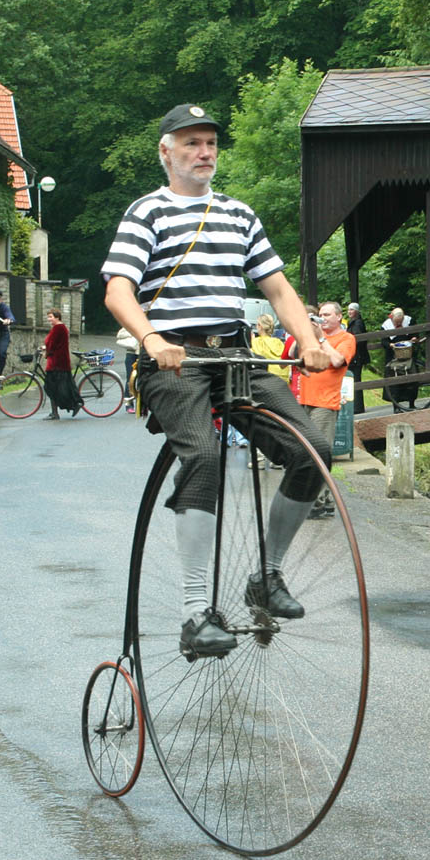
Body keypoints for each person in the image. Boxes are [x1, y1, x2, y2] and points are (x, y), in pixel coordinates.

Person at [102, 102, 331, 661]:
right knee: (203, 456)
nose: (203, 153)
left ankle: (268, 574)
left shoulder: (238, 214)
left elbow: (277, 289)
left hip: (234, 356)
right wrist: (152, 340)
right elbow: (117, 290)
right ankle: (194, 612)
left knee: (314, 448)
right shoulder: (146, 213)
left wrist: (308, 341)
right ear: (166, 152)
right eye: (190, 143)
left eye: (209, 143)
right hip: (174, 360)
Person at [291, 301, 355, 518]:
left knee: (316, 454)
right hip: (305, 401)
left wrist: (319, 338)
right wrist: (301, 331)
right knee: (312, 452)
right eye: (320, 315)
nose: (323, 318)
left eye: (327, 314)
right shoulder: (313, 338)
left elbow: (338, 361)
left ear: (338, 317)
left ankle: (316, 504)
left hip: (325, 404)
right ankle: (326, 500)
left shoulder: (346, 339)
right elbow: (292, 355)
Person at [40, 308, 83, 419]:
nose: (49, 319)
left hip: (56, 363)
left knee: (52, 387)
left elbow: (52, 344)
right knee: (63, 386)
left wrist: (45, 351)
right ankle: (69, 406)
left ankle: (56, 412)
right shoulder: (60, 328)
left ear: (57, 317)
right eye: (48, 317)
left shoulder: (58, 328)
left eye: (50, 317)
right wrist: (46, 348)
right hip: (60, 361)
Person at [381, 306, 419, 412]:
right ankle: (396, 407)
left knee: (412, 381)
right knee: (395, 383)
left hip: (408, 355)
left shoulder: (409, 321)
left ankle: (412, 403)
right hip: (394, 357)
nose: (398, 325)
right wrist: (391, 345)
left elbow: (415, 334)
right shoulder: (386, 326)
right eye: (396, 323)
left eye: (400, 322)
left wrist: (414, 338)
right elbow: (384, 342)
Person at [346, 301, 370, 413]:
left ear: (356, 311)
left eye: (352, 309)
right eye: (349, 309)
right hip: (355, 356)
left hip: (357, 357)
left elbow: (358, 339)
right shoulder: (353, 322)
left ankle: (357, 408)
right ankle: (356, 407)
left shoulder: (357, 323)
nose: (349, 312)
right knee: (353, 381)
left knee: (356, 381)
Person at [251, 314, 289, 381]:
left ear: (260, 326)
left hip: (266, 379)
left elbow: (253, 355)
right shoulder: (279, 342)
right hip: (283, 379)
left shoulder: (257, 342)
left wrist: (252, 341)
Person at [115, 325, 139, 413]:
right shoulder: (131, 322)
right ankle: (129, 404)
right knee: (130, 380)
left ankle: (141, 404)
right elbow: (120, 334)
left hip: (144, 354)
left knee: (143, 379)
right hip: (131, 354)